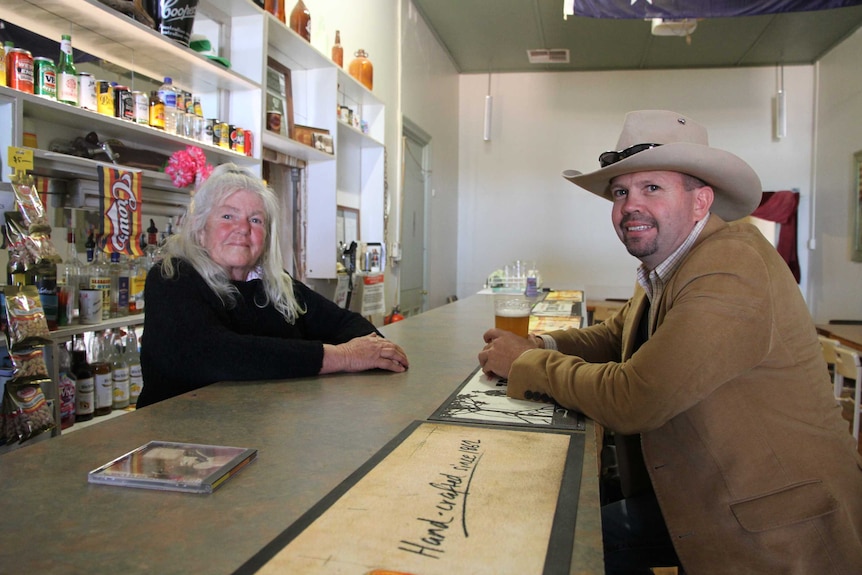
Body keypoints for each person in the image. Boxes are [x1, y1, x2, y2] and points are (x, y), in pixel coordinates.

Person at [477, 110, 862, 573]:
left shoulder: (732, 263)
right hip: (701, 486)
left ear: (700, 201)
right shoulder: (672, 260)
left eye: (651, 188)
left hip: (773, 525)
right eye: (620, 192)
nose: (629, 206)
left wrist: (525, 363)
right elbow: (618, 335)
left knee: (554, 547)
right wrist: (544, 345)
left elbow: (637, 397)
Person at [137, 163, 408, 407]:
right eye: (228, 216)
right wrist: (344, 357)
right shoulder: (171, 278)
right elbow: (215, 354)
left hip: (261, 433)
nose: (243, 228)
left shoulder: (275, 285)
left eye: (255, 220)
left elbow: (344, 323)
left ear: (266, 236)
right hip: (177, 442)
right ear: (200, 228)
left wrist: (371, 351)